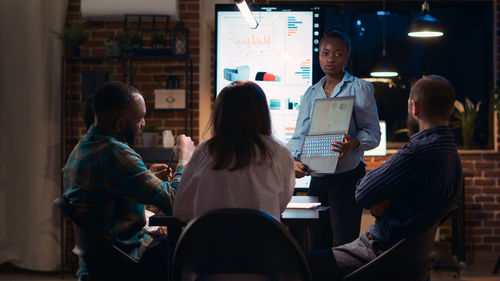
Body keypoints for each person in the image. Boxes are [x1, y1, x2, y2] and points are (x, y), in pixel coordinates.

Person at [306, 75, 463, 280]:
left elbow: (362, 192)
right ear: (451, 109)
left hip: (379, 252)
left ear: (414, 107)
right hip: (408, 258)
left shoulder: (417, 151)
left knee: (301, 264)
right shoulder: (451, 153)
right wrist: (388, 201)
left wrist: (383, 199)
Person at [62, 81, 195, 280]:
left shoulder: (84, 146)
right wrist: (185, 157)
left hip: (100, 261)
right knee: (194, 248)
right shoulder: (115, 153)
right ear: (119, 124)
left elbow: (111, 190)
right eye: (140, 118)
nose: (143, 124)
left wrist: (146, 176)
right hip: (125, 262)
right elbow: (176, 201)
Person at [287, 27, 381, 248]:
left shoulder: (361, 88)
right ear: (319, 55)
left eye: (338, 54)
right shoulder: (311, 93)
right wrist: (292, 160)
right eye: (325, 52)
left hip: (347, 179)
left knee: (344, 245)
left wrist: (354, 143)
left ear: (347, 57)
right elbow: (300, 136)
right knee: (315, 244)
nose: (330, 58)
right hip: (317, 178)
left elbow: (373, 134)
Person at [173, 80, 295, 222]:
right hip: (261, 242)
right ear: (262, 113)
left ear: (220, 114)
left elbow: (181, 210)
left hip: (211, 243)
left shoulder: (203, 152)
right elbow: (280, 206)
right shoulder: (280, 153)